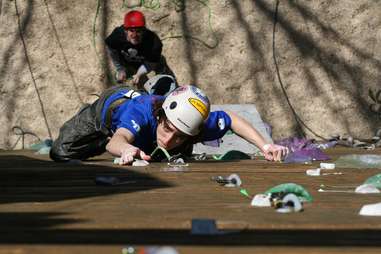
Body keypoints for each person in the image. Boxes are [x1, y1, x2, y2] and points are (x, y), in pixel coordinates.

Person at [50, 84, 288, 164]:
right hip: (110, 109)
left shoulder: (195, 125)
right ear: (160, 116)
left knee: (165, 156)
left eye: (180, 136)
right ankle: (91, 125)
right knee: (61, 152)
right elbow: (117, 141)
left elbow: (231, 119)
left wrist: (266, 146)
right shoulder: (141, 114)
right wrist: (126, 148)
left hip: (140, 123)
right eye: (168, 130)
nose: (169, 140)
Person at [105, 10, 173, 86]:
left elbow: (151, 63)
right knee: (120, 76)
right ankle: (127, 70)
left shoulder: (153, 43)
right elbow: (113, 52)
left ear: (144, 31)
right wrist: (120, 69)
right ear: (125, 31)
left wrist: (139, 74)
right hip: (127, 60)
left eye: (138, 31)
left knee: (158, 62)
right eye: (131, 31)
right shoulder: (116, 37)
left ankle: (161, 66)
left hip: (146, 60)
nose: (135, 35)